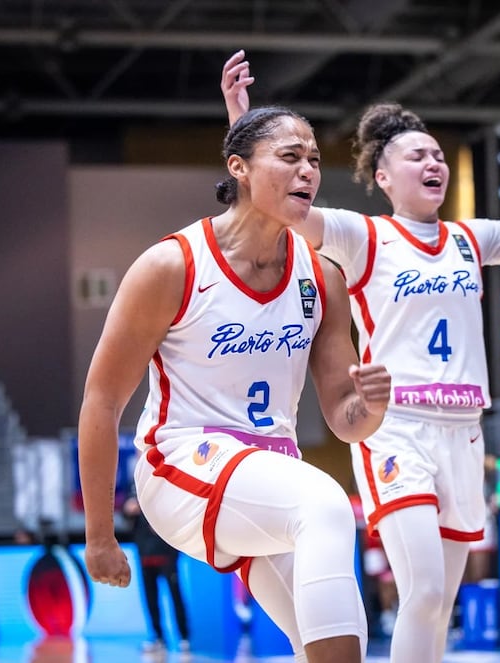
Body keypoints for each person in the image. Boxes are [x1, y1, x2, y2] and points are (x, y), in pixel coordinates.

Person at [222, 49, 500, 663]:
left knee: (439, 602)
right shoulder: (364, 235)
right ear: (383, 177)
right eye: (417, 156)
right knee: (421, 590)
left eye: (438, 156)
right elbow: (278, 204)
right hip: (396, 427)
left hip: (464, 432)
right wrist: (242, 119)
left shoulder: (470, 238)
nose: (434, 163)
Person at [77, 106, 393, 663]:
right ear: (238, 168)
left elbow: (346, 420)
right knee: (326, 504)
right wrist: (99, 534)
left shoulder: (322, 277)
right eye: (290, 157)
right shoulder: (171, 265)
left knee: (332, 646)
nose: (308, 171)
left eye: (314, 159)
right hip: (179, 464)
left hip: (268, 475)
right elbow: (102, 401)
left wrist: (370, 407)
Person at [122, 484, 190, 655]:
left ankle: (184, 638)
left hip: (167, 552)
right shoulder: (135, 485)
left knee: (175, 596)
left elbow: (180, 511)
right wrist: (128, 509)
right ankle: (158, 637)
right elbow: (125, 514)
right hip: (145, 552)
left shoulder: (168, 483)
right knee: (151, 598)